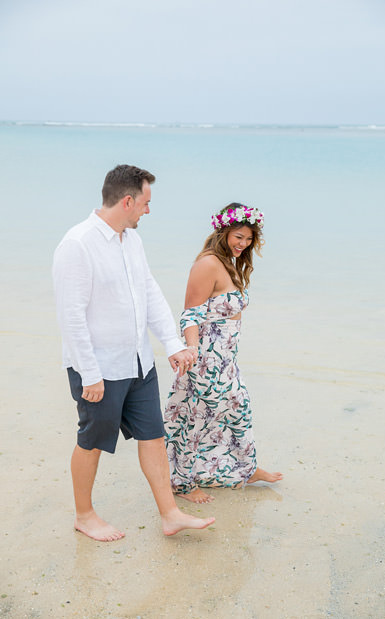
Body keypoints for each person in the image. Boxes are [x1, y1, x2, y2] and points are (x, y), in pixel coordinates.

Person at [52, 164, 216, 541]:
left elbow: (150, 294)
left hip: (139, 361)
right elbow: (71, 316)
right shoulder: (77, 244)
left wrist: (172, 344)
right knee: (92, 441)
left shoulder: (132, 241)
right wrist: (89, 373)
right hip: (98, 368)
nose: (147, 211)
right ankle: (85, 514)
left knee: (153, 436)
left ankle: (170, 514)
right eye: (145, 203)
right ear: (127, 200)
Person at [163, 203, 283, 504]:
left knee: (239, 410)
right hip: (206, 360)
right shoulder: (208, 264)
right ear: (224, 230)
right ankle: (184, 483)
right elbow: (190, 314)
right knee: (195, 419)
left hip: (227, 360)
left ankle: (247, 468)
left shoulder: (229, 262)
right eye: (238, 237)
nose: (243, 244)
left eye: (248, 239)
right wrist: (191, 349)